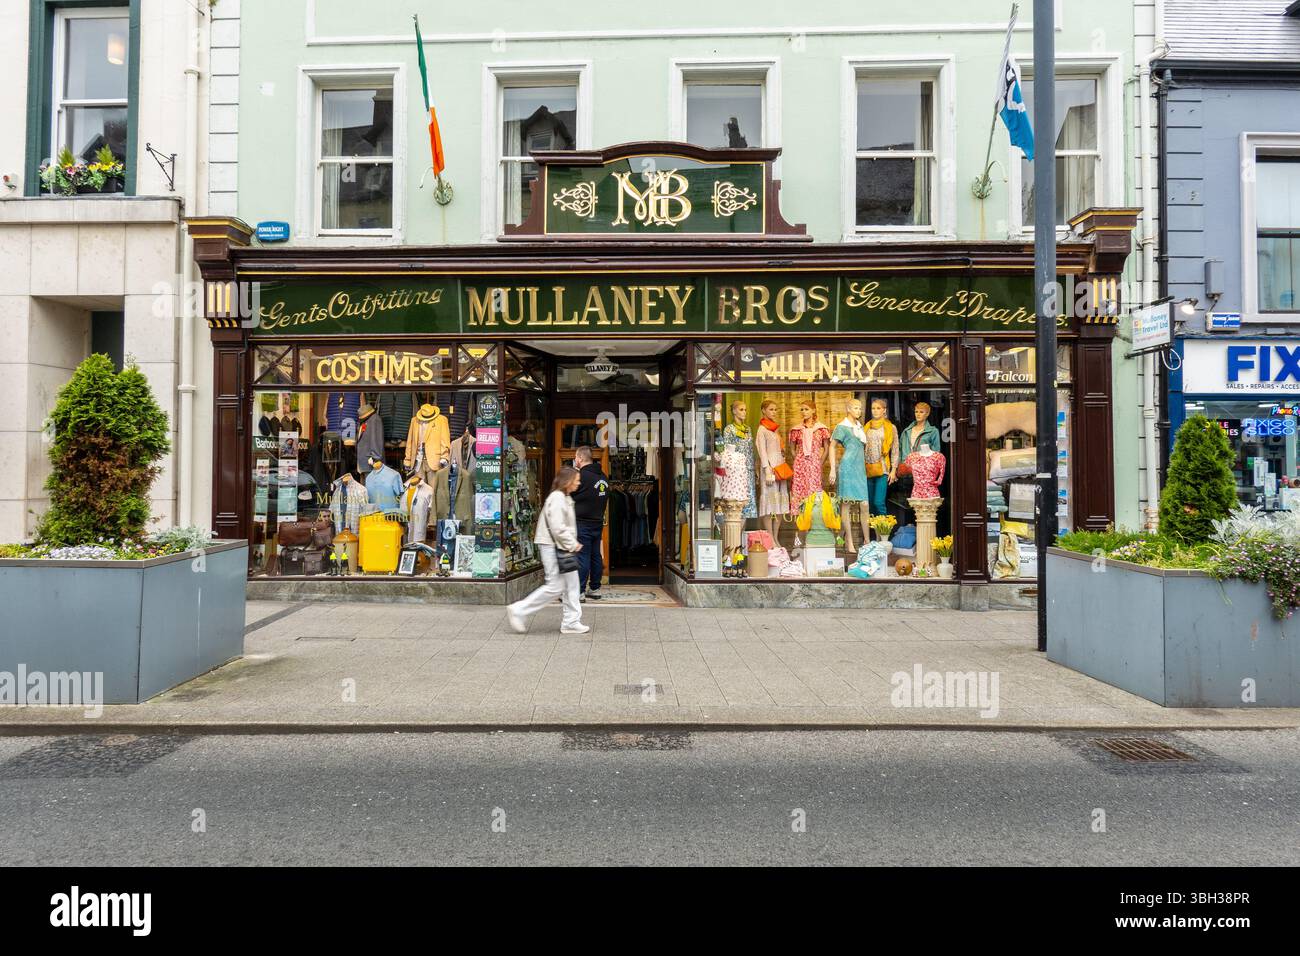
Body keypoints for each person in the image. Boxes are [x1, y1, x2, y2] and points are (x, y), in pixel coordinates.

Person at [506, 466, 589, 635]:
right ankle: (520, 609)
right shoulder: (558, 498)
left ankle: (571, 621)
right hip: (554, 547)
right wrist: (572, 543)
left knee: (570, 584)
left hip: (558, 546)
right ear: (568, 481)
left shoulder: (563, 497)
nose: (578, 483)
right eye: (577, 480)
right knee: (556, 586)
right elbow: (557, 527)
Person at [570, 446, 609, 601]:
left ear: (580, 458)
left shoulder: (581, 476)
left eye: (575, 457)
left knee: (582, 557)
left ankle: (579, 591)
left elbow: (569, 493)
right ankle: (595, 588)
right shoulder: (603, 477)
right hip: (597, 521)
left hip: (582, 522)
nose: (575, 460)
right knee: (595, 555)